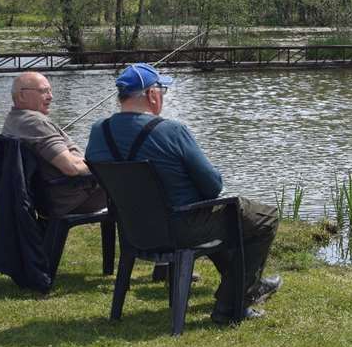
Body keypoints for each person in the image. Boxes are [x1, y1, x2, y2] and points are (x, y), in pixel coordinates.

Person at [85, 63, 281, 324]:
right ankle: (230, 306)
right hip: (181, 228)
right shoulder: (171, 130)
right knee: (264, 217)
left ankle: (245, 285)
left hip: (134, 231)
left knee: (221, 216)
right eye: (162, 90)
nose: (163, 96)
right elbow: (213, 185)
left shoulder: (99, 131)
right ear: (152, 94)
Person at [1, 71, 107, 217]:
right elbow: (71, 168)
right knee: (131, 183)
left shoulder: (13, 120)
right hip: (71, 198)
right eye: (43, 91)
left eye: (50, 91)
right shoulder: (36, 123)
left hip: (45, 198)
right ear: (22, 96)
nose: (50, 96)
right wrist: (103, 165)